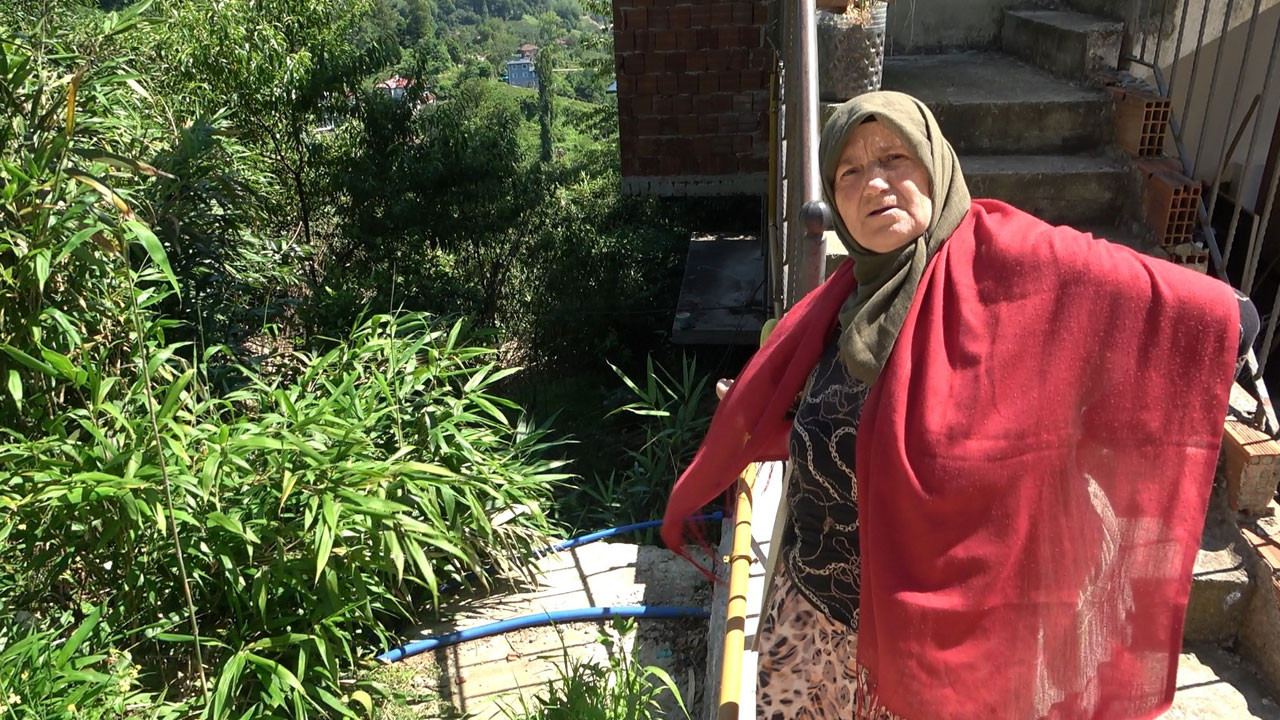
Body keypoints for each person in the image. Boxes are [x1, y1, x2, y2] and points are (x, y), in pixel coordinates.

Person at [661, 91, 1259, 720]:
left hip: (937, 652)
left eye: (893, 157)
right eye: (850, 171)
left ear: (933, 163)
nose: (875, 183)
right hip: (813, 628)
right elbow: (857, 430)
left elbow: (1225, 318)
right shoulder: (847, 301)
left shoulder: (1019, 265)